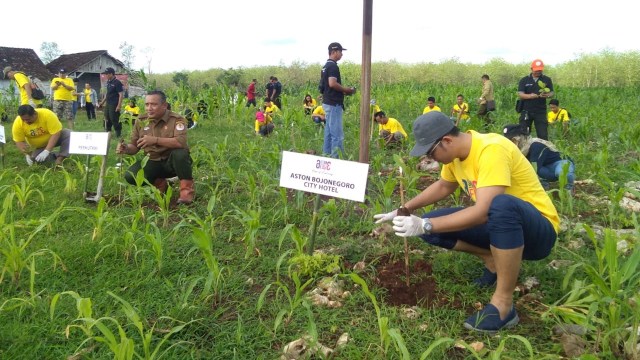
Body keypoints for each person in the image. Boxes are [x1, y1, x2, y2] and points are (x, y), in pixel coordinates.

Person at [374, 111, 559, 333]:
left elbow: (483, 212)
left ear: (447, 141)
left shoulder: (491, 149)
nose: (432, 160)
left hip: (537, 231)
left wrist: (423, 225)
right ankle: (492, 258)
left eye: (431, 154)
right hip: (500, 225)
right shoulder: (455, 157)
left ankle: (503, 305)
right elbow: (443, 186)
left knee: (500, 206)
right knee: (431, 223)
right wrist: (405, 209)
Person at [116, 90, 195, 204]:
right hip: (153, 161)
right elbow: (134, 146)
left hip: (172, 163)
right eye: (147, 104)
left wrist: (155, 140)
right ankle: (161, 184)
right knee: (130, 175)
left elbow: (180, 142)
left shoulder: (176, 119)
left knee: (180, 153)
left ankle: (186, 192)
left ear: (164, 105)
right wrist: (126, 148)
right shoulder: (141, 121)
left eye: (153, 104)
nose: (149, 108)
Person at [503, 124, 575, 194]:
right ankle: (544, 186)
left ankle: (569, 189)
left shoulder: (536, 145)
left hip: (559, 163)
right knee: (537, 170)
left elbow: (534, 167)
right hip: (544, 167)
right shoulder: (519, 149)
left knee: (562, 172)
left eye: (513, 140)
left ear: (520, 137)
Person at [319, 42, 356, 158]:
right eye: (340, 52)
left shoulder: (325, 66)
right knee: (337, 135)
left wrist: (342, 91)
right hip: (334, 104)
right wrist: (348, 90)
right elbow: (332, 83)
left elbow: (324, 87)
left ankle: (327, 155)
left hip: (327, 102)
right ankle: (336, 160)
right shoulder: (333, 66)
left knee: (329, 133)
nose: (341, 55)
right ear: (334, 52)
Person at [518, 59, 554, 140]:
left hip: (540, 111)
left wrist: (547, 95)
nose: (538, 72)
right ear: (531, 69)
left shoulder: (546, 79)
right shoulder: (524, 80)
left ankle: (543, 151)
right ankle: (524, 151)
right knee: (524, 134)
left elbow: (552, 93)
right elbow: (520, 94)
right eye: (536, 70)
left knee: (543, 135)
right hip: (526, 110)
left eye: (540, 70)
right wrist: (531, 96)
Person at [98, 67, 124, 138]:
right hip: (108, 103)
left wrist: (119, 106)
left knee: (114, 118)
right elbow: (107, 94)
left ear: (111, 74)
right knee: (106, 118)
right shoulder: (108, 82)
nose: (105, 75)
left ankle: (118, 133)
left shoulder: (117, 82)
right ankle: (107, 133)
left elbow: (121, 95)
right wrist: (102, 102)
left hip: (114, 104)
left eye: (107, 74)